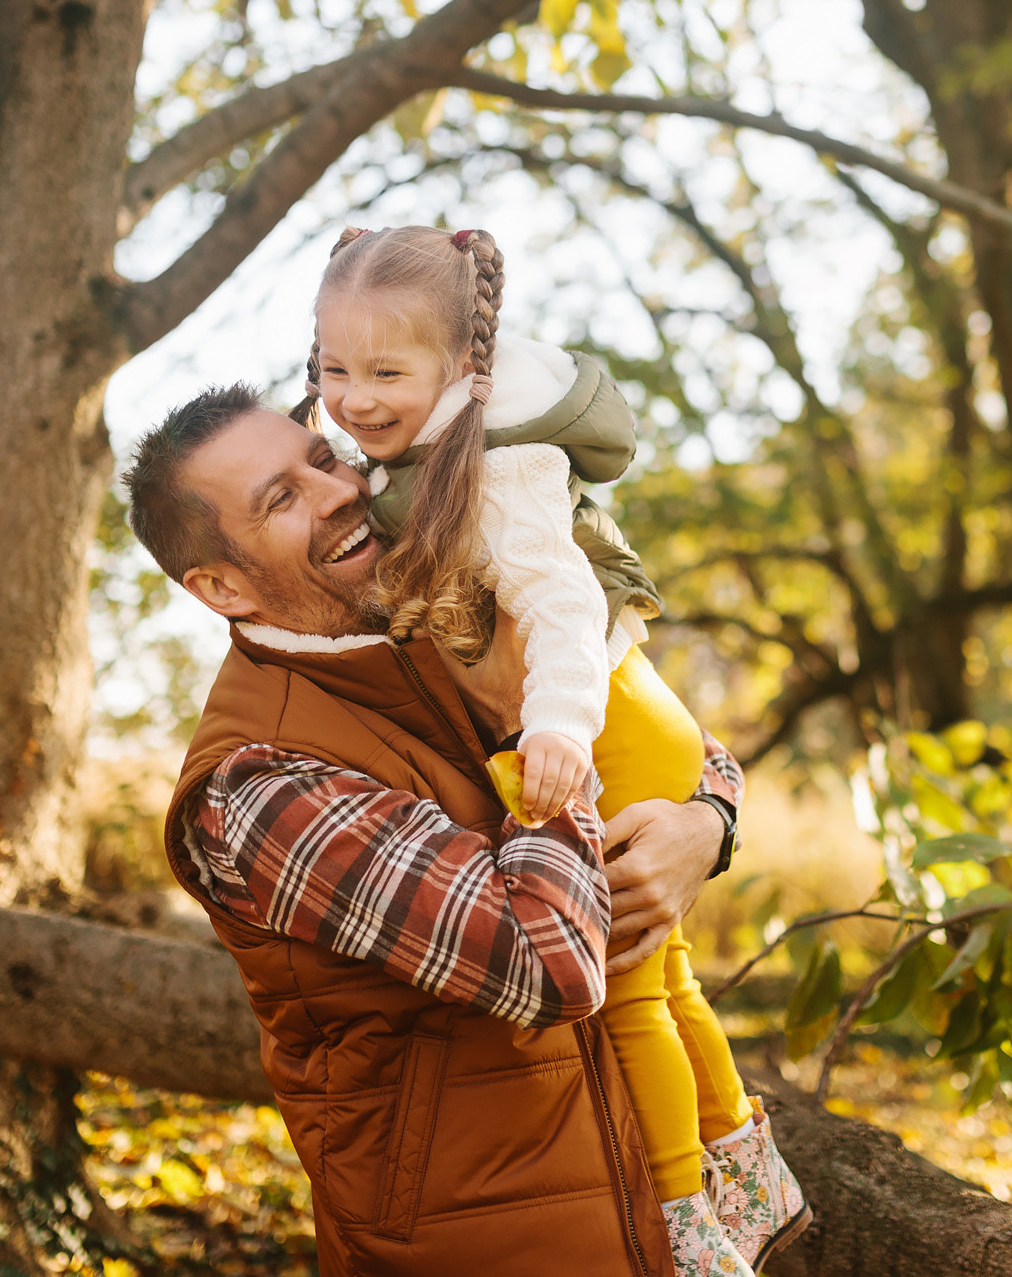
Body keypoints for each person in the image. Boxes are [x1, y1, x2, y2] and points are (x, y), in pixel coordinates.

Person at [126, 391, 775, 1275]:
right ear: (221, 585)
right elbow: (545, 966)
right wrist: (530, 725)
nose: (337, 491)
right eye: (280, 499)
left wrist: (707, 824)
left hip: (655, 1220)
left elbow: (669, 741)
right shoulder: (259, 785)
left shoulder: (442, 622)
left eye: (322, 458)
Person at [291, 225, 805, 1276]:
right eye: (333, 368)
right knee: (666, 981)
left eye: (387, 371)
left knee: (625, 1000)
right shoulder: (388, 438)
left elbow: (563, 607)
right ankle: (756, 1184)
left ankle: (681, 1222)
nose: (354, 397)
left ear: (462, 370)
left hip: (602, 713)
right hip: (625, 707)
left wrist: (559, 729)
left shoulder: (503, 462)